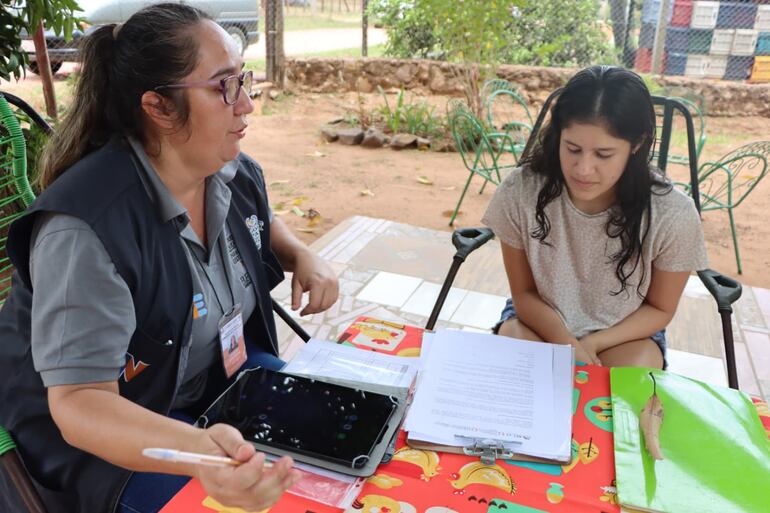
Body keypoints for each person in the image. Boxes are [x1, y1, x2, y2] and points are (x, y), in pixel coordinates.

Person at [0, 4, 339, 513]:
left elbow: (257, 218)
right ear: (158, 107)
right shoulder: (86, 228)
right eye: (224, 85)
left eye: (242, 78)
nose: (246, 103)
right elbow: (78, 405)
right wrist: (198, 453)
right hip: (110, 439)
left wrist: (298, 251)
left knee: (352, 438)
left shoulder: (230, 170)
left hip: (217, 390)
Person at [482, 65, 708, 369]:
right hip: (538, 323)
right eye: (572, 148)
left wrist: (592, 343)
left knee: (636, 371)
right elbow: (523, 293)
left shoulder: (672, 214)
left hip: (623, 336)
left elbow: (660, 308)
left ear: (637, 144)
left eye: (603, 154)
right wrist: (566, 342)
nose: (583, 169)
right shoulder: (521, 190)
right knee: (516, 355)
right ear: (558, 134)